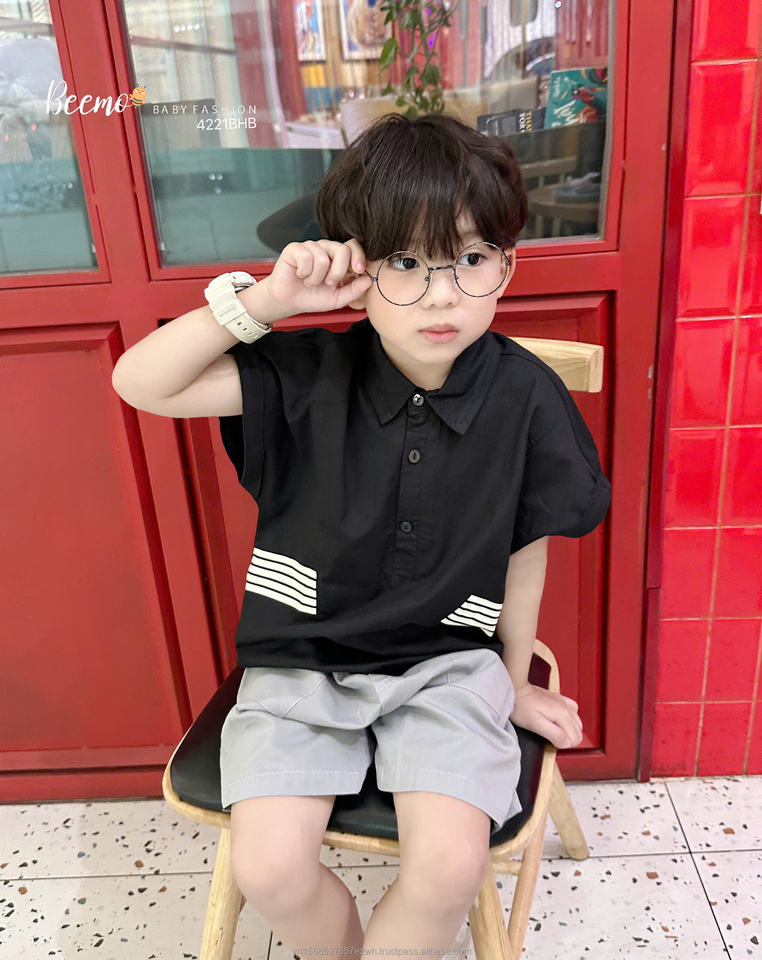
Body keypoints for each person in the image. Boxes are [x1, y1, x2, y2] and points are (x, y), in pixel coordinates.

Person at [111, 112, 611, 960]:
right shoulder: (309, 373)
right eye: (405, 263)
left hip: (448, 664)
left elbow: (527, 545)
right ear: (358, 268)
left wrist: (512, 674)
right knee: (270, 870)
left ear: (507, 261)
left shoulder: (526, 395)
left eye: (472, 259)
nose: (443, 294)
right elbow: (142, 383)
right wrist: (268, 302)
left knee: (449, 870)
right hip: (302, 660)